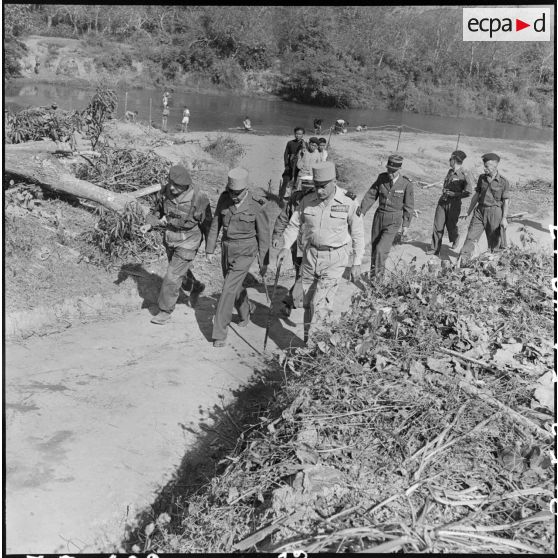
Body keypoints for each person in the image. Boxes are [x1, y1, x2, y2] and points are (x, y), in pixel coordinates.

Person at [277, 162, 364, 342]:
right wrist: (286, 247)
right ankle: (308, 342)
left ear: (334, 181)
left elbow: (358, 234)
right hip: (311, 256)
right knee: (308, 304)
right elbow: (294, 225)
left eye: (323, 186)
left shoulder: (349, 201)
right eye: (316, 187)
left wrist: (356, 263)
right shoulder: (307, 200)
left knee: (321, 305)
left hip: (335, 258)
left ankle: (314, 347)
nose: (319, 191)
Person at [205, 168, 270, 348]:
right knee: (235, 284)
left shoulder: (256, 204)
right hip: (227, 247)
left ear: (245, 189)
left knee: (227, 288)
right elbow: (216, 223)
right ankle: (245, 311)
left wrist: (264, 261)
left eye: (238, 193)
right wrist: (209, 249)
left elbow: (264, 235)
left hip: (247, 250)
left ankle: (219, 332)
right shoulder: (224, 199)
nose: (234, 196)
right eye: (231, 191)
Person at [140, 165, 212, 325]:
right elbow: (156, 211)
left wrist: (209, 249)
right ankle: (196, 285)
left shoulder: (199, 198)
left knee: (172, 276)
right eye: (170, 183)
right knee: (178, 270)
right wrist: (150, 224)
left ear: (186, 184)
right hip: (171, 237)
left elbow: (208, 224)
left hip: (189, 240)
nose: (172, 188)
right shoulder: (165, 192)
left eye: (177, 185)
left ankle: (165, 311)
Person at [359, 154, 415, 280]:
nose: (390, 173)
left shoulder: (406, 184)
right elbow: (371, 195)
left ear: (399, 169)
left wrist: (406, 225)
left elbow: (409, 206)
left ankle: (377, 284)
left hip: (394, 220)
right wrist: (362, 211)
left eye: (393, 171)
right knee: (375, 248)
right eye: (389, 170)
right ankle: (374, 278)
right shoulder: (381, 178)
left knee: (381, 250)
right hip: (379, 217)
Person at [271, 180, 315, 317]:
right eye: (305, 188)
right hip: (297, 244)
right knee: (299, 273)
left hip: (313, 245)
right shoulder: (296, 198)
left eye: (310, 189)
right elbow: (284, 218)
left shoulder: (319, 200)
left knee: (305, 273)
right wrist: (277, 236)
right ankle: (297, 300)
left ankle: (289, 302)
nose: (307, 191)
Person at [457, 153, 510, 265]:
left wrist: (504, 218)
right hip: (479, 211)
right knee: (471, 236)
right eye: (484, 166)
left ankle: (493, 264)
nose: (484, 168)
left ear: (494, 166)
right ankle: (462, 263)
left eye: (486, 166)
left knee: (494, 241)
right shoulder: (482, 178)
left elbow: (506, 201)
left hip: (495, 212)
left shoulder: (503, 182)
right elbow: (477, 195)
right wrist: (468, 211)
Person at [426, 150, 473, 256]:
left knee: (451, 226)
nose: (449, 160)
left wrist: (455, 194)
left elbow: (468, 192)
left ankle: (455, 237)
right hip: (442, 202)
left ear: (455, 160)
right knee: (437, 226)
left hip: (454, 204)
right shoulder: (450, 172)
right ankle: (435, 248)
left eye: (451, 159)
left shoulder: (464, 174)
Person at [281, 127, 305, 198]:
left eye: (300, 134)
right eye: (296, 134)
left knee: (296, 182)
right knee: (286, 180)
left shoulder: (304, 144)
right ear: (294, 134)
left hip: (299, 166)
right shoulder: (290, 143)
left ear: (303, 135)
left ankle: (292, 197)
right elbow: (286, 154)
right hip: (290, 164)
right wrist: (286, 164)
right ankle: (282, 196)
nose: (298, 135)